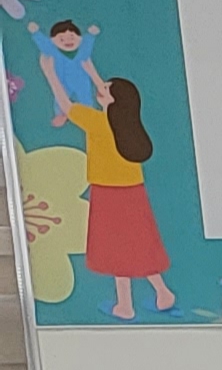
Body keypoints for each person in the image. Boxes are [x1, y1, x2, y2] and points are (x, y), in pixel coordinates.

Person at [64, 77, 170, 319]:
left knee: (117, 250)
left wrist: (50, 73)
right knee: (138, 245)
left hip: (107, 193)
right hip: (133, 192)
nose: (99, 89)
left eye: (105, 89)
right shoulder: (129, 127)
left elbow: (67, 105)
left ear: (115, 100)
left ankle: (126, 305)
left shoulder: (98, 122)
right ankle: (161, 292)